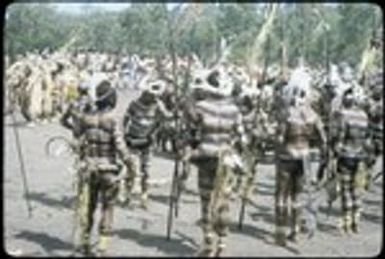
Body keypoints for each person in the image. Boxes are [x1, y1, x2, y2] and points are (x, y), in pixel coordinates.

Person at [68, 79, 135, 256]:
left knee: (87, 207)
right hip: (108, 170)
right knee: (107, 207)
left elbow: (76, 139)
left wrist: (83, 153)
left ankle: (84, 243)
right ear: (112, 98)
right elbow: (120, 146)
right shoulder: (114, 118)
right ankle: (102, 248)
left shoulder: (85, 117)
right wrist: (131, 165)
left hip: (88, 168)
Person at [185, 68, 245, 256]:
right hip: (226, 159)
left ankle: (208, 239)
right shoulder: (234, 109)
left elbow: (192, 134)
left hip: (205, 157)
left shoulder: (201, 106)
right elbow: (243, 139)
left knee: (206, 200)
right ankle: (222, 243)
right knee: (223, 201)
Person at [274, 71, 327, 245]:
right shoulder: (313, 114)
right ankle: (295, 231)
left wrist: (270, 137)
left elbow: (279, 138)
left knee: (281, 195)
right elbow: (323, 139)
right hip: (305, 158)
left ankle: (281, 232)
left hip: (287, 156)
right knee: (297, 196)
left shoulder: (286, 113)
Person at [123, 78, 171, 209]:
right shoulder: (134, 104)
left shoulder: (158, 105)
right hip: (133, 139)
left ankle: (144, 196)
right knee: (132, 169)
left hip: (147, 142)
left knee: (146, 171)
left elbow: (165, 118)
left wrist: (155, 131)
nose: (153, 97)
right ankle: (128, 195)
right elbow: (125, 120)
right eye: (151, 94)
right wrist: (124, 136)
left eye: (156, 94)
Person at [330, 87, 373, 234]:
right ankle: (356, 221)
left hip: (346, 157)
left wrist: (334, 150)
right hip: (360, 158)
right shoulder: (364, 116)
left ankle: (347, 222)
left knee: (346, 191)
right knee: (357, 191)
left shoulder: (343, 115)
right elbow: (368, 140)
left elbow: (340, 138)